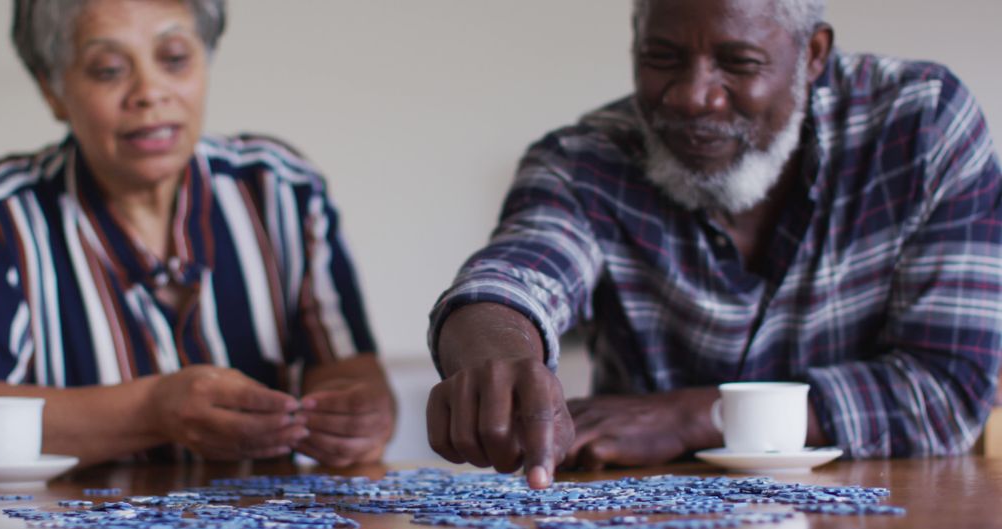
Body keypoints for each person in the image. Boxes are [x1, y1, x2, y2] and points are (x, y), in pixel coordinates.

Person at [427, 0, 1002, 489]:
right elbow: (516, 274)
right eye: (662, 58)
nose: (692, 97)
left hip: (890, 525)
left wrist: (696, 417)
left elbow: (947, 391)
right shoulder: (581, 162)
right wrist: (497, 351)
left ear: (813, 55)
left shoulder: (922, 124)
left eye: (738, 62)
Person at [0, 0, 395, 468]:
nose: (149, 92)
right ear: (53, 90)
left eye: (174, 59)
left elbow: (351, 369)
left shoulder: (281, 188)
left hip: (268, 517)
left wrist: (358, 417)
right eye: (108, 70)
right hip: (65, 519)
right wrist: (151, 410)